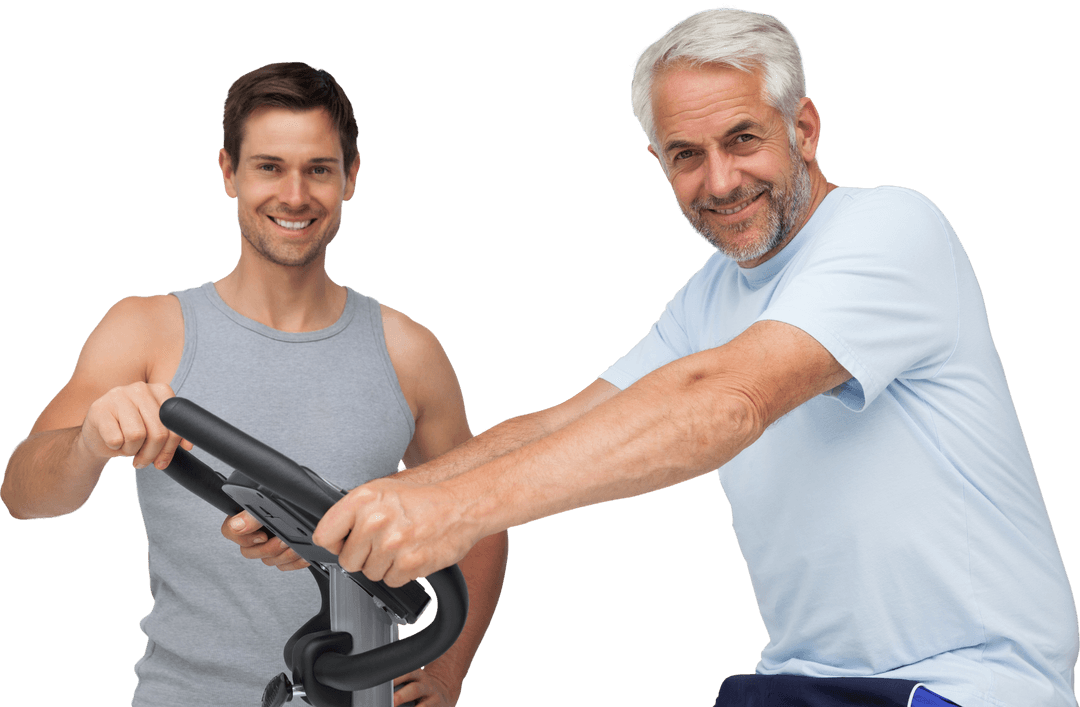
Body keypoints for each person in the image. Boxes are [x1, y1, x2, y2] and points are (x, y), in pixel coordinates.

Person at [305, 10, 1079, 707]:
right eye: (686, 154)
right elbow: (567, 423)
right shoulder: (711, 296)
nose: (720, 180)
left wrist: (456, 511)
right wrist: (359, 503)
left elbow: (724, 401)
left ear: (802, 128)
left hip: (961, 682)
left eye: (743, 139)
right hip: (799, 682)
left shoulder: (891, 230)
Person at [0, 62, 508, 707]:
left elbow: (483, 521)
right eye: (269, 166)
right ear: (228, 173)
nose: (294, 195)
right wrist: (87, 444)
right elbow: (24, 495)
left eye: (319, 169)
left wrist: (445, 670)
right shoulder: (145, 329)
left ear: (351, 177)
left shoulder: (408, 349)